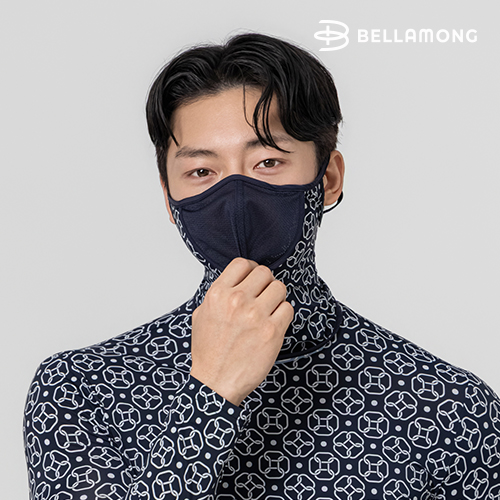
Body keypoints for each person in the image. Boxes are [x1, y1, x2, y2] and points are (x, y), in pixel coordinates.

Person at [24, 32, 500, 500]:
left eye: (268, 162)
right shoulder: (81, 390)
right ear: (170, 200)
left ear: (329, 178)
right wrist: (212, 389)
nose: (235, 197)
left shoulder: (450, 409)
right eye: (201, 171)